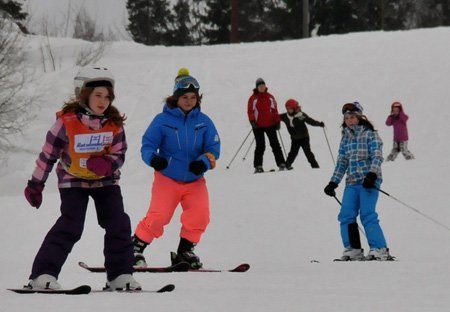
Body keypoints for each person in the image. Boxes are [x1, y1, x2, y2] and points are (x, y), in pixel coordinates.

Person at [23, 65, 141, 290]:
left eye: (107, 96)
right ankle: (42, 275)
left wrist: (107, 163)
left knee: (118, 223)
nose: (103, 101)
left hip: (106, 182)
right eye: (98, 95)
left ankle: (120, 275)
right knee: (71, 225)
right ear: (83, 94)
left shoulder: (113, 123)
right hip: (73, 182)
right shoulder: (66, 123)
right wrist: (36, 184)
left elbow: (120, 153)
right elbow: (48, 154)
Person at [132, 74, 220, 269]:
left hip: (194, 180)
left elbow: (214, 148)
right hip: (167, 178)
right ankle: (135, 249)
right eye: (184, 97)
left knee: (200, 215)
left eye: (193, 97)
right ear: (176, 98)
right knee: (159, 216)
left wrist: (204, 161)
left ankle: (185, 252)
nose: (189, 101)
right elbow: (147, 145)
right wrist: (154, 159)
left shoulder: (204, 122)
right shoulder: (162, 120)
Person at [323, 102, 392, 261]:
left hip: (368, 181)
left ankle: (379, 248)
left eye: (352, 117)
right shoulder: (345, 138)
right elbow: (342, 162)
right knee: (346, 215)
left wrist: (372, 174)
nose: (349, 120)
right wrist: (333, 182)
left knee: (367, 214)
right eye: (346, 118)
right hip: (352, 183)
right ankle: (353, 249)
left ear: (359, 116)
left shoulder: (370, 134)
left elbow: (377, 155)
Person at [247, 78, 286, 173]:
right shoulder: (253, 98)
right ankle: (258, 166)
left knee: (275, 144)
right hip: (258, 126)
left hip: (270, 124)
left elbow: (274, 110)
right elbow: (250, 111)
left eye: (263, 86)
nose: (262, 87)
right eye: (260, 86)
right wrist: (252, 121)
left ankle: (282, 163)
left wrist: (277, 121)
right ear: (257, 87)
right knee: (260, 145)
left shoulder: (270, 97)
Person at [279, 99, 324, 169]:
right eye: (287, 109)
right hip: (294, 139)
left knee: (307, 152)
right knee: (293, 153)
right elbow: (275, 117)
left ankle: (315, 166)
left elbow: (310, 121)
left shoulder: (300, 115)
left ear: (294, 108)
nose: (289, 110)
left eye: (290, 109)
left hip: (304, 137)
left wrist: (319, 124)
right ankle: (287, 165)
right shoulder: (285, 116)